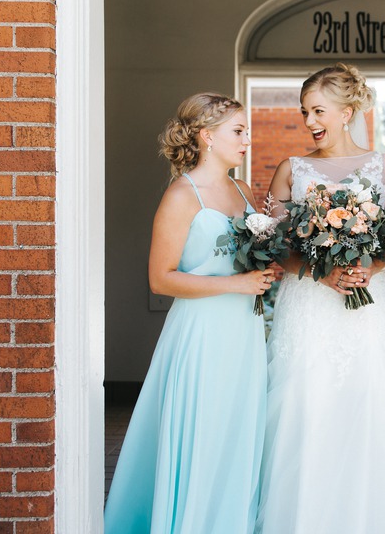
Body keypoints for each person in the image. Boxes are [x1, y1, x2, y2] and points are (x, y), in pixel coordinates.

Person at [255, 64, 385, 533]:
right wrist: (319, 274)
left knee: (367, 402)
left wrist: (372, 266)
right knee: (306, 404)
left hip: (367, 306)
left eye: (318, 110)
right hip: (308, 307)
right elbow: (275, 246)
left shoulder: (383, 165)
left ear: (348, 112)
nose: (309, 121)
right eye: (305, 112)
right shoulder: (292, 169)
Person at [104, 93, 275, 533]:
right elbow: (160, 279)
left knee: (238, 432)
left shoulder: (242, 189)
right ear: (207, 136)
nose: (247, 140)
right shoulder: (183, 194)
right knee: (205, 429)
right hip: (202, 333)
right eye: (238, 131)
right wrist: (235, 284)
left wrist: (265, 268)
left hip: (245, 331)